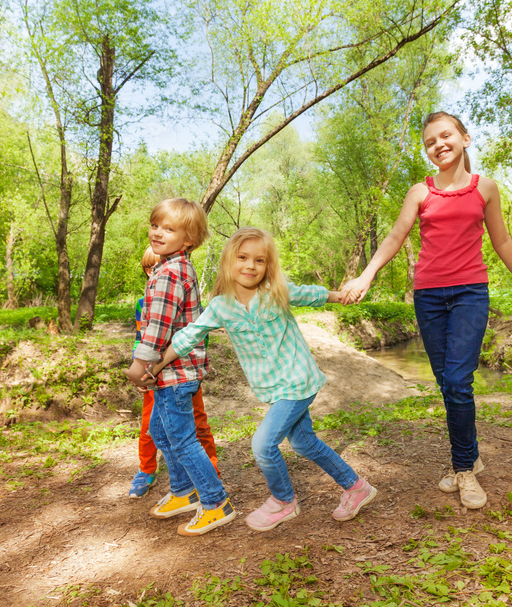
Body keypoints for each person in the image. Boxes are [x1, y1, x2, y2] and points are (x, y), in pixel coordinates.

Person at [341, 111, 512, 510]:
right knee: (447, 382)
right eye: (430, 141)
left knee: (457, 379)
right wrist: (366, 276)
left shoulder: (485, 188)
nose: (439, 144)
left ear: (465, 138)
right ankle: (470, 453)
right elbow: (396, 235)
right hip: (429, 297)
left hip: (471, 292)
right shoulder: (420, 192)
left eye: (446, 135)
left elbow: (502, 241)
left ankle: (464, 469)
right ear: (427, 152)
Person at [147, 228, 377, 532]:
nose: (250, 266)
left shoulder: (275, 292)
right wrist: (154, 366)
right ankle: (357, 487)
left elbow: (311, 294)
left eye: (259, 260)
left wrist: (342, 295)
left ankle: (284, 502)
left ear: (268, 266)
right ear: (229, 261)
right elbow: (188, 336)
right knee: (304, 443)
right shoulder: (221, 307)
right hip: (274, 388)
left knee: (263, 445)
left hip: (297, 381)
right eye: (243, 258)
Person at [124, 198, 234, 536]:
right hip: (168, 374)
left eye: (169, 229)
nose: (157, 233)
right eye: (156, 225)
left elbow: (157, 326)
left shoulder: (171, 273)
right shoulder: (169, 267)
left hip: (174, 374)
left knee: (183, 439)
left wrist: (140, 364)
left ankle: (216, 503)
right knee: (160, 432)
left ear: (188, 240)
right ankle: (184, 491)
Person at [129, 246, 219, 499]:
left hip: (179, 373)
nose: (152, 271)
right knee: (153, 427)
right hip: (153, 374)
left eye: (155, 266)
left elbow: (194, 334)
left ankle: (210, 478)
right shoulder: (143, 301)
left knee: (195, 426)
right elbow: (141, 337)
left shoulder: (176, 279)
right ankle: (150, 471)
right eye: (148, 268)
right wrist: (142, 367)